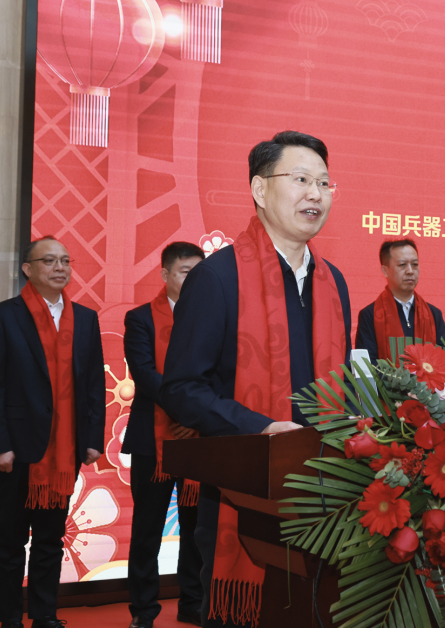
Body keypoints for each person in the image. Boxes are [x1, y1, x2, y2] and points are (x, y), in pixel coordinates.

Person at [160, 131, 352, 628]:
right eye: (301, 180)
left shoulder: (334, 283)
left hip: (327, 496)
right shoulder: (218, 277)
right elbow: (181, 388)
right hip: (243, 495)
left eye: (324, 183)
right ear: (260, 190)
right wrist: (262, 428)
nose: (315, 193)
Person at [0, 237, 106, 628]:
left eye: (65, 260)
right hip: (18, 449)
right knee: (11, 540)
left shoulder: (85, 318)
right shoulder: (1, 316)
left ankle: (46, 615)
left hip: (65, 451)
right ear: (28, 269)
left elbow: (94, 385)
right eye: (49, 260)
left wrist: (93, 438)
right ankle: (10, 618)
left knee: (51, 539)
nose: (59, 267)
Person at [122, 242, 206, 628]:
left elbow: (218, 373)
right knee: (147, 529)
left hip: (198, 438)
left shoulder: (212, 318)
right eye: (187, 272)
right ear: (165, 274)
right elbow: (143, 373)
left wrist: (197, 416)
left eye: (200, 273)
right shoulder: (140, 318)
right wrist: (186, 408)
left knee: (196, 527)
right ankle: (143, 610)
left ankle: (192, 603)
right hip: (152, 440)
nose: (195, 279)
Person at [356, 239, 445, 361]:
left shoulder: (434, 315)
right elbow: (368, 364)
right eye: (402, 265)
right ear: (385, 271)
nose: (410, 271)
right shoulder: (370, 315)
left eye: (414, 264)